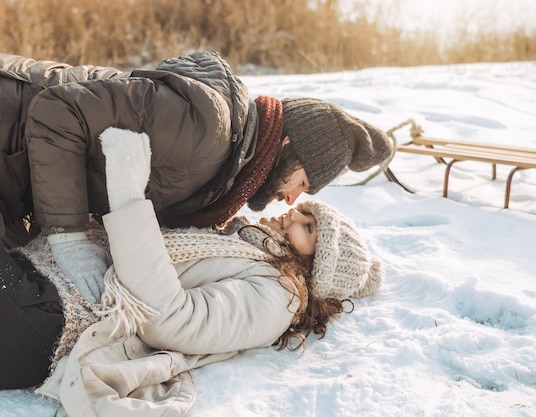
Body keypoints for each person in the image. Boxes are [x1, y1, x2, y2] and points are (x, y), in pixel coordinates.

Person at [0, 128, 383, 416]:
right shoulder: (241, 240)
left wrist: (129, 199)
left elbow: (170, 318)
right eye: (307, 213)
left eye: (308, 228)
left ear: (316, 268)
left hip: (49, 312)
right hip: (36, 272)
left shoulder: (277, 297)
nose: (293, 214)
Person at [0, 50, 393, 249]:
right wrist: (67, 237)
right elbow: (59, 111)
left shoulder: (225, 166)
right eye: (303, 182)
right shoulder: (208, 130)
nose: (290, 198)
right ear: (289, 143)